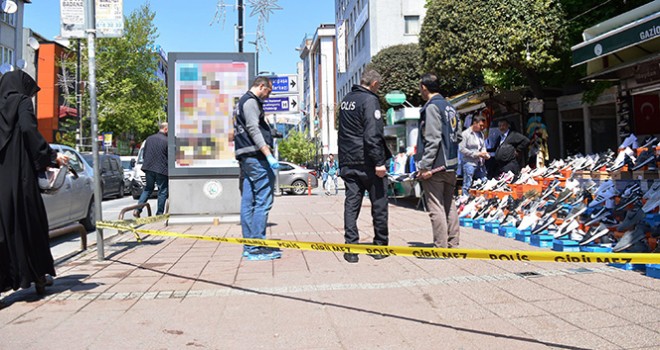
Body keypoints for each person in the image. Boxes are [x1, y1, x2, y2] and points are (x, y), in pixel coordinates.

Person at [0, 70, 69, 303]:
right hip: (20, 178)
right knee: (30, 223)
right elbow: (30, 131)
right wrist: (51, 156)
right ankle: (38, 276)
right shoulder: (21, 102)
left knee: (3, 231)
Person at [338, 69, 392, 263]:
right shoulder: (370, 100)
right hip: (367, 162)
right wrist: (379, 162)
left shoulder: (346, 100)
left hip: (348, 160)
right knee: (379, 203)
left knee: (351, 204)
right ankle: (380, 245)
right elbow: (372, 134)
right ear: (375, 83)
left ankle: (350, 248)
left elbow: (343, 132)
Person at [234, 76, 282, 261]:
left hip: (246, 158)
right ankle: (257, 246)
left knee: (248, 202)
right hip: (256, 157)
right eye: (268, 91)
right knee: (263, 201)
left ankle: (249, 246)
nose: (268, 96)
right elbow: (253, 128)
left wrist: (272, 133)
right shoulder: (251, 102)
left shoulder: (241, 103)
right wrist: (268, 154)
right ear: (261, 86)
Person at [414, 73, 461, 249]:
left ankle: (440, 245)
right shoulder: (450, 107)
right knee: (450, 203)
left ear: (424, 88)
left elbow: (432, 139)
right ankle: (453, 243)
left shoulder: (432, 108)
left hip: (435, 166)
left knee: (435, 206)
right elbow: (458, 136)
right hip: (451, 164)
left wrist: (424, 165)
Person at [134, 122, 169, 217]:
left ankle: (138, 209)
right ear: (165, 129)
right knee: (162, 191)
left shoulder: (149, 139)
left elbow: (145, 154)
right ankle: (159, 214)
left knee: (148, 189)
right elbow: (169, 156)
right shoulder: (167, 141)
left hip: (148, 168)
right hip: (161, 169)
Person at [459, 115, 489, 195]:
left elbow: (483, 146)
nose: (482, 127)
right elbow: (462, 149)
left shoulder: (481, 134)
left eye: (483, 126)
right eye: (480, 125)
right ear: (475, 123)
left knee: (484, 182)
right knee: (467, 184)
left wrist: (485, 154)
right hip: (470, 163)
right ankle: (465, 200)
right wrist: (476, 154)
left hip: (481, 163)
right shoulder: (465, 134)